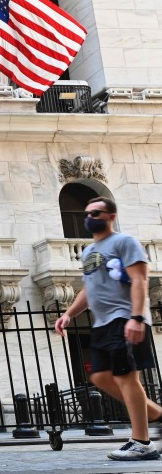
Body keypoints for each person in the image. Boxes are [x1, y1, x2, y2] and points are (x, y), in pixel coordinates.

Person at [55, 196, 161, 460]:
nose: (90, 218)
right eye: (87, 213)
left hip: (124, 318)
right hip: (101, 323)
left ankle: (141, 441)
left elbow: (140, 279)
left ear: (110, 216)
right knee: (100, 377)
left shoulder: (124, 242)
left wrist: (136, 317)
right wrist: (68, 314)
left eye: (97, 213)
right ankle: (158, 415)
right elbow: (88, 289)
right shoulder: (88, 252)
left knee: (126, 376)